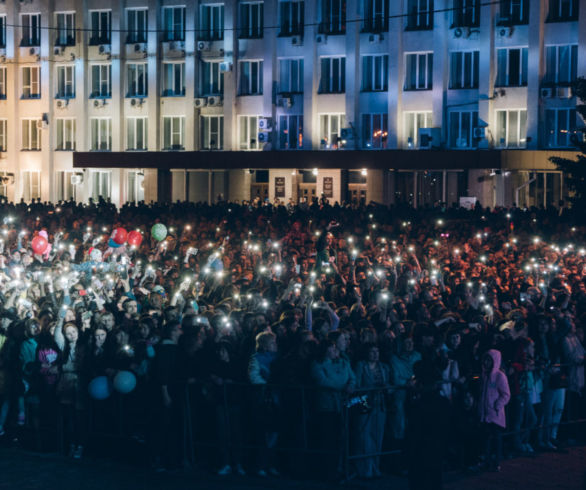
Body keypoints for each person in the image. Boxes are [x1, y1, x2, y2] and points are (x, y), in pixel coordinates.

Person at [311, 339, 355, 481]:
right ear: (326, 350)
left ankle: (340, 468)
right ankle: (329, 471)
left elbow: (352, 377)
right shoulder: (317, 365)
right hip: (327, 406)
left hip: (342, 405)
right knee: (328, 439)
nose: (335, 350)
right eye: (332, 348)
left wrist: (349, 385)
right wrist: (344, 386)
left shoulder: (343, 362)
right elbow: (324, 381)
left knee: (341, 439)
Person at [353, 344, 390, 479]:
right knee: (364, 435)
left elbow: (389, 385)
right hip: (365, 401)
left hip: (380, 404)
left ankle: (375, 466)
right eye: (372, 352)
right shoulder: (361, 366)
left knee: (377, 435)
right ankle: (364, 468)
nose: (375, 354)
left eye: (377, 351)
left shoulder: (384, 367)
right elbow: (357, 385)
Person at [478, 349, 510, 471]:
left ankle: (496, 461)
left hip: (494, 413)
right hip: (486, 412)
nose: (486, 362)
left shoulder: (500, 376)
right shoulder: (484, 375)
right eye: (485, 360)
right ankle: (487, 460)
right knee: (487, 438)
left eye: (489, 360)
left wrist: (498, 405)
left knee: (496, 439)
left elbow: (506, 394)